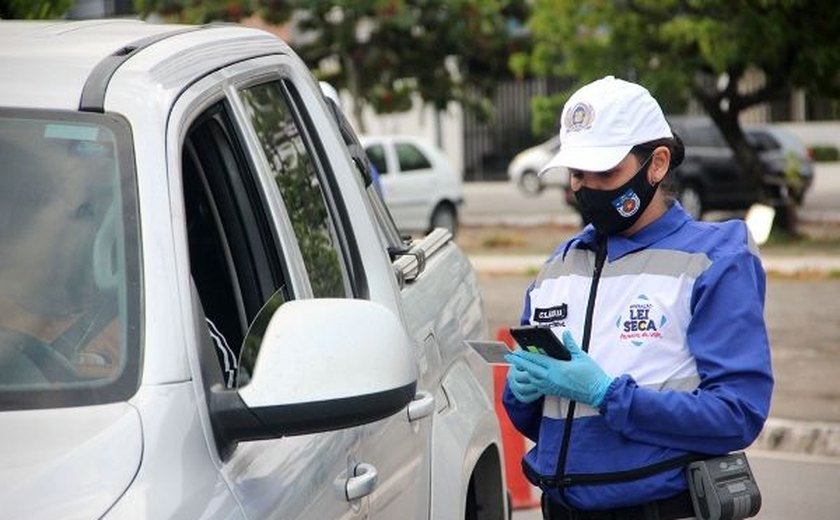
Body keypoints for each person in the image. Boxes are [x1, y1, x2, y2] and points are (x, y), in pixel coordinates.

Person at [502, 76, 773, 520]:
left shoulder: (715, 259)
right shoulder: (558, 267)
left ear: (657, 164)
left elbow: (737, 415)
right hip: (561, 509)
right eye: (576, 173)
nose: (585, 187)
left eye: (605, 172)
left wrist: (609, 395)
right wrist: (522, 393)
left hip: (658, 509)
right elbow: (541, 424)